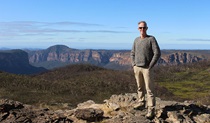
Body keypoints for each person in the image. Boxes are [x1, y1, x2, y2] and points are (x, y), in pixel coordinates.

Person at [130, 21, 161, 119]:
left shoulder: (151, 39)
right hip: (137, 67)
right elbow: (132, 53)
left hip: (147, 68)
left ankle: (151, 109)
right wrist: (133, 64)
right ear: (138, 29)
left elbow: (157, 53)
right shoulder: (136, 40)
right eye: (140, 28)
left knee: (149, 89)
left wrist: (150, 65)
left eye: (144, 28)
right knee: (140, 87)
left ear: (147, 28)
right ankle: (141, 102)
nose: (142, 29)